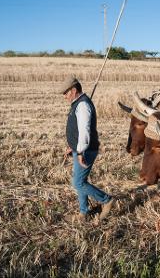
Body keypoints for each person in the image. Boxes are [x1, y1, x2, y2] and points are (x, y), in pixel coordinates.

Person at [60, 76, 114, 221]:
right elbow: (78, 129)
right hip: (79, 149)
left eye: (66, 93)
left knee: (78, 182)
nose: (64, 96)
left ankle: (106, 200)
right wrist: (72, 147)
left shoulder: (83, 105)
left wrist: (81, 151)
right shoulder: (78, 103)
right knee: (80, 181)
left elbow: (85, 131)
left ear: (74, 90)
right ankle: (83, 213)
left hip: (86, 150)